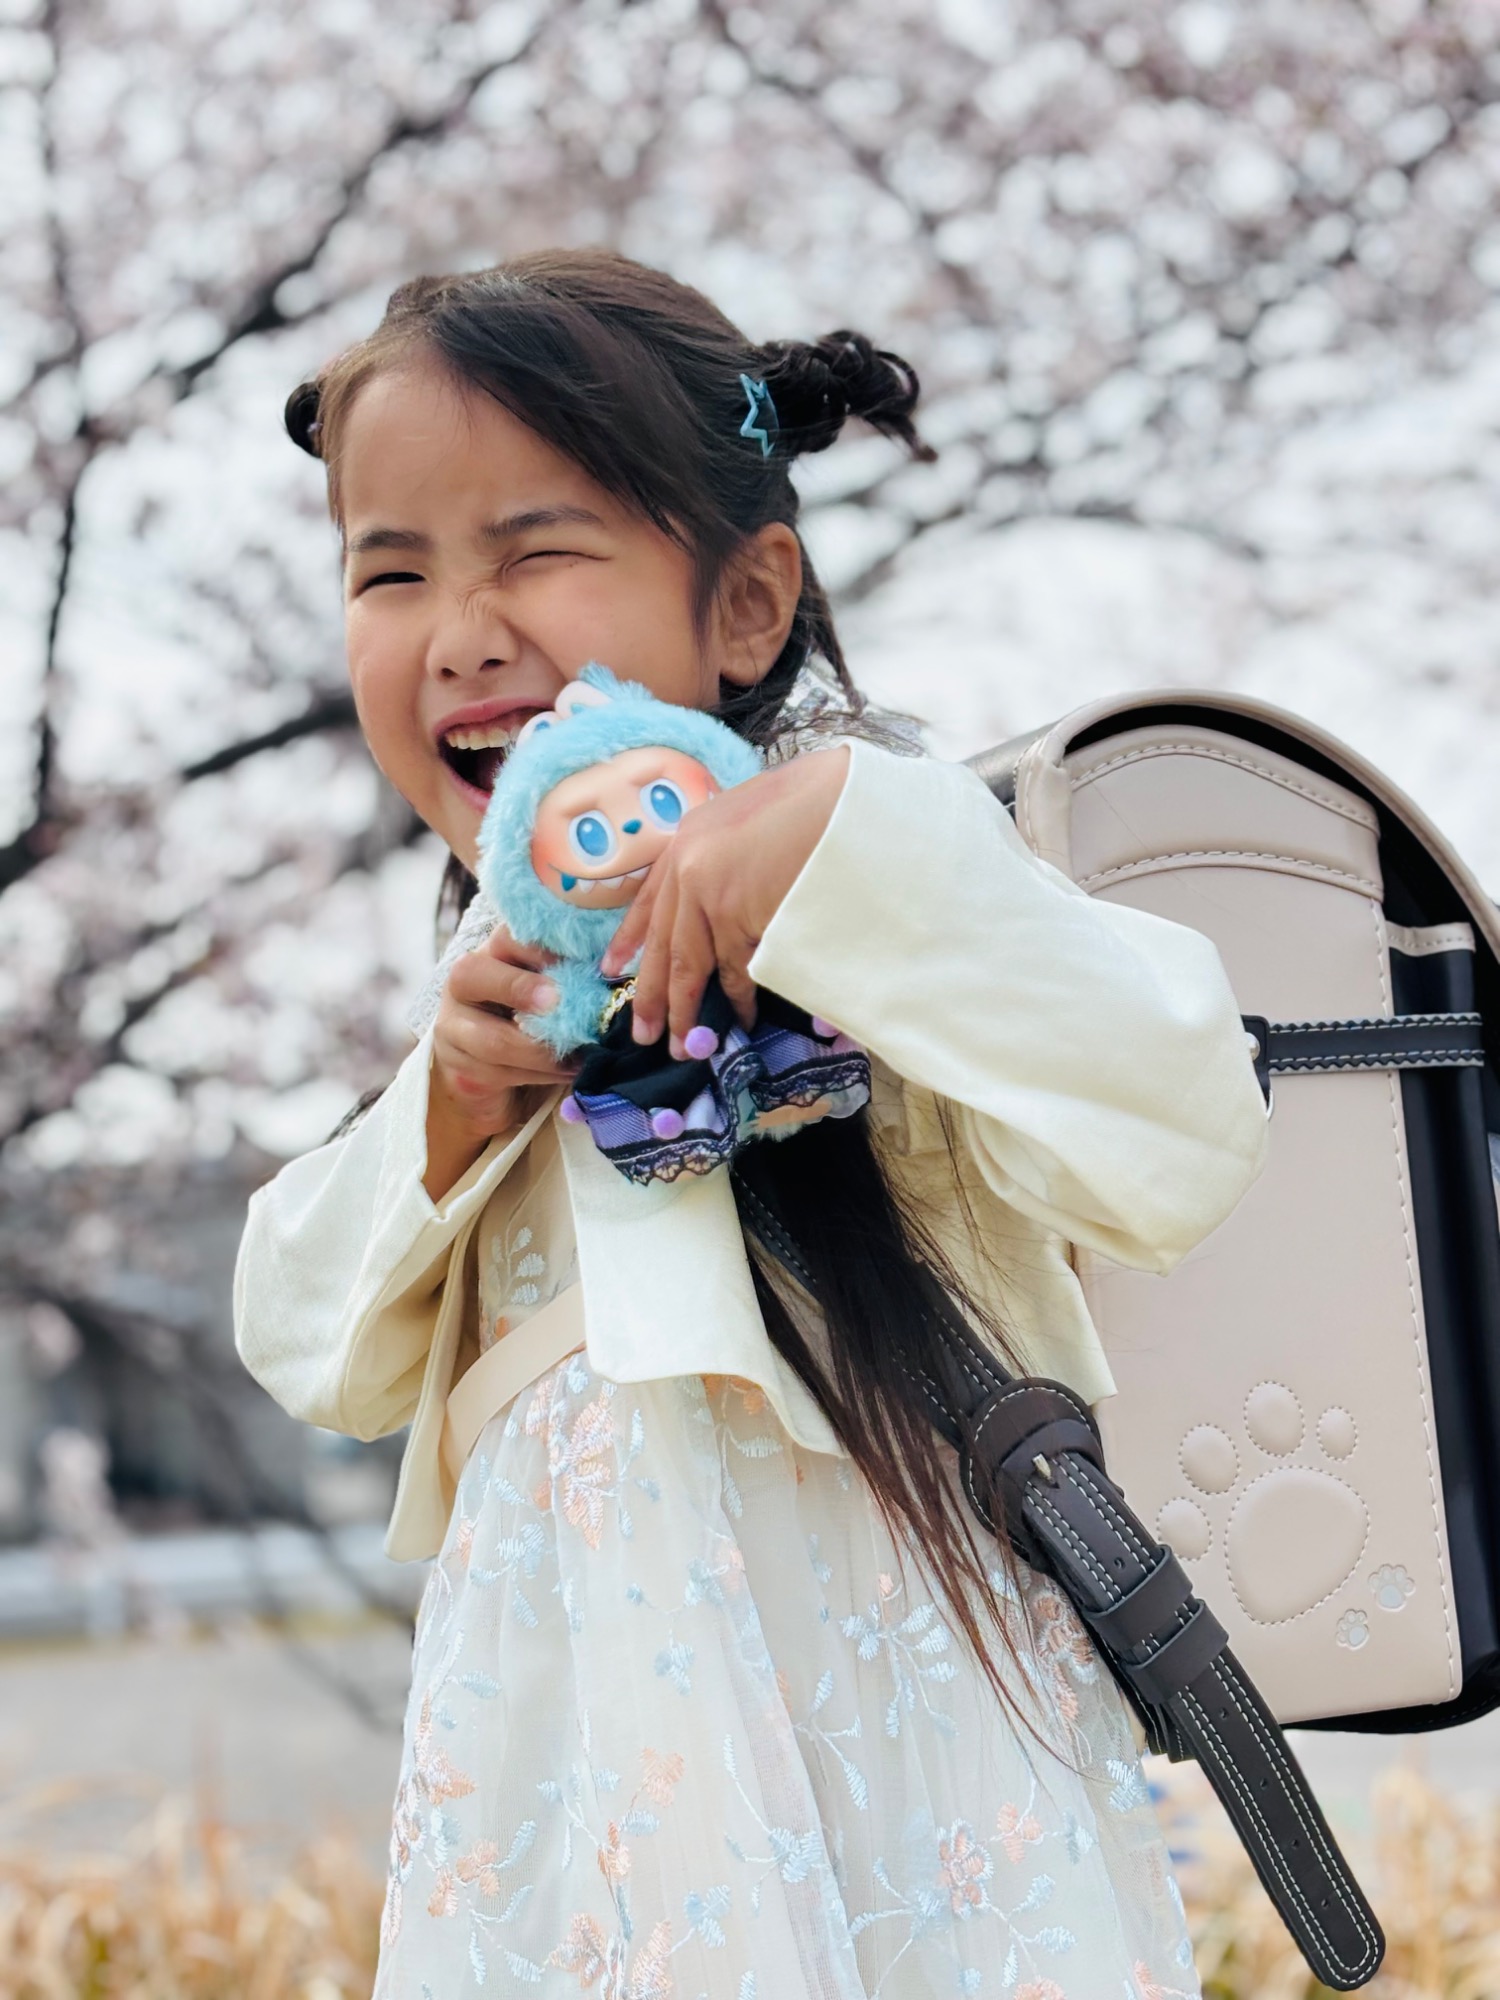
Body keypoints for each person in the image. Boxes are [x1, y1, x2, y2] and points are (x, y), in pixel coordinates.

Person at [234, 250, 1268, 1999]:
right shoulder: (492, 1023)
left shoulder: (900, 906)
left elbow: (1181, 1113)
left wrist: (856, 856)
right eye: (390, 571)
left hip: (924, 1810)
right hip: (580, 1835)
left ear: (745, 603)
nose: (464, 631)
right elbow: (302, 1335)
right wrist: (453, 1098)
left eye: (538, 548)